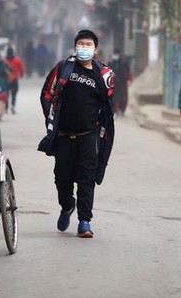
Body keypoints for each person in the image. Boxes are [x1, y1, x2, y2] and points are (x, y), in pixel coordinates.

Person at [39, 29, 115, 238]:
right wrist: (52, 117)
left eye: (88, 44)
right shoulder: (63, 68)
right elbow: (47, 93)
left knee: (86, 179)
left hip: (89, 136)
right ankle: (67, 206)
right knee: (61, 179)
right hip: (64, 136)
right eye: (81, 44)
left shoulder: (104, 74)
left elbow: (108, 107)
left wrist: (103, 131)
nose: (84, 48)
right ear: (75, 47)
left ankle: (84, 221)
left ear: (95, 49)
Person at [108, 48, 132, 116]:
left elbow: (128, 72)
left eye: (117, 54)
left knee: (123, 97)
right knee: (114, 97)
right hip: (113, 82)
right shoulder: (110, 63)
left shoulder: (123, 63)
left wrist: (129, 80)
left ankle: (122, 110)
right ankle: (115, 110)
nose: (116, 55)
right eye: (115, 54)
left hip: (122, 82)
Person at [5, 46, 24, 114]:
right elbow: (21, 68)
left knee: (6, 93)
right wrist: (21, 75)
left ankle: (6, 106)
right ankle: (12, 105)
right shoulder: (17, 59)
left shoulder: (4, 60)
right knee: (14, 94)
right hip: (15, 79)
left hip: (7, 80)